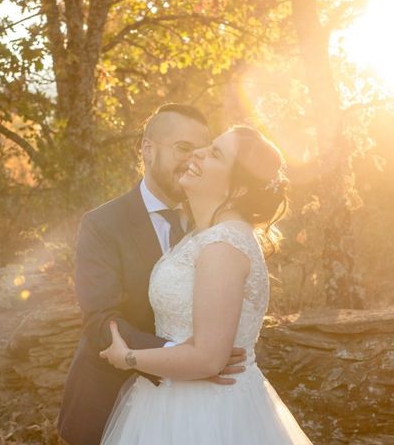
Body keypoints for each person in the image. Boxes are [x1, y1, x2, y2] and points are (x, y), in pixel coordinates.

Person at [99, 126, 313, 444]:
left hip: (209, 413)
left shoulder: (223, 246)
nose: (198, 152)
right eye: (209, 146)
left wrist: (128, 357)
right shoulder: (204, 235)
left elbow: (209, 359)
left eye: (215, 153)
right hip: (167, 401)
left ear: (238, 189)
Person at [57, 104, 248, 445]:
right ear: (148, 149)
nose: (193, 159)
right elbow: (100, 319)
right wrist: (186, 355)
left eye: (201, 150)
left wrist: (207, 354)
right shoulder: (102, 224)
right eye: (182, 148)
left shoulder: (213, 222)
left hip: (203, 409)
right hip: (108, 400)